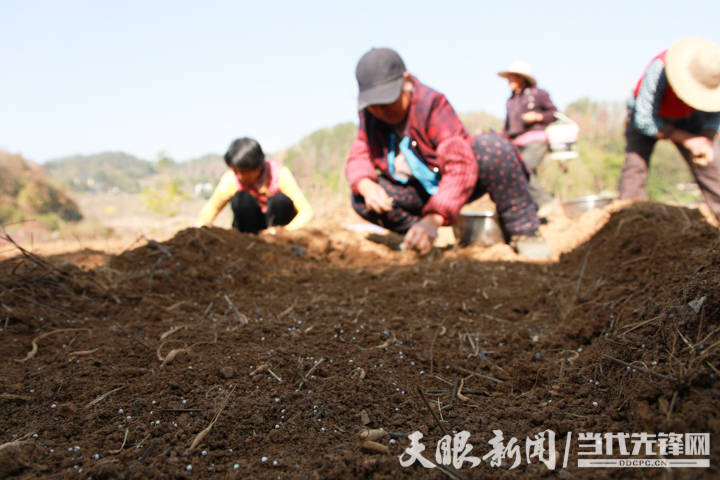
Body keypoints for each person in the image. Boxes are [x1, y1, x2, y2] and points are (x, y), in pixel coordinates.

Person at [345, 47, 552, 258]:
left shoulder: (431, 104)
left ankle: (524, 232)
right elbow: (359, 153)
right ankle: (415, 236)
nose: (382, 111)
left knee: (494, 149)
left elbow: (459, 164)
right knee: (360, 197)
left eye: (388, 102)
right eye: (375, 105)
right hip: (418, 191)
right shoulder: (369, 116)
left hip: (456, 182)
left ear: (406, 81)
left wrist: (435, 216)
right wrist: (366, 185)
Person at [620, 37, 720, 222]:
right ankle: (628, 222)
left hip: (691, 116)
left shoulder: (715, 73)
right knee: (635, 167)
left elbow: (715, 114)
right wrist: (687, 139)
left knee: (713, 167)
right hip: (647, 114)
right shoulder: (660, 68)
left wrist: (706, 139)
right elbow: (644, 119)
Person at [197, 137, 313, 233]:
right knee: (241, 199)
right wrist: (200, 229)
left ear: (258, 167)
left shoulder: (279, 174)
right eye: (235, 171)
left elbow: (305, 211)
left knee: (281, 201)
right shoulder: (231, 179)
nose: (239, 176)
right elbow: (212, 208)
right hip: (247, 230)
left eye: (244, 172)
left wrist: (283, 232)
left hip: (277, 228)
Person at [498, 60, 558, 216]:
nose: (509, 81)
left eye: (513, 78)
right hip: (517, 144)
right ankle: (533, 212)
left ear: (521, 78)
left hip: (536, 140)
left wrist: (538, 116)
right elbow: (507, 126)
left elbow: (554, 114)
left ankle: (546, 202)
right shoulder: (510, 101)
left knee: (522, 169)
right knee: (522, 174)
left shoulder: (538, 94)